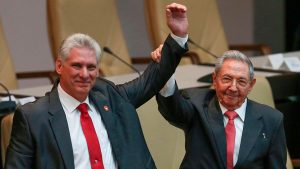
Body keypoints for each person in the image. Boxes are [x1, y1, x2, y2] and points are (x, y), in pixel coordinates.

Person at [4, 3, 189, 169]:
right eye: (77, 65)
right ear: (59, 66)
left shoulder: (110, 96)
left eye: (91, 67)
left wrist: (177, 36)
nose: (85, 74)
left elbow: (150, 80)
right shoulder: (34, 117)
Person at [152, 49, 287, 169]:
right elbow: (172, 110)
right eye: (227, 79)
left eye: (241, 81)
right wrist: (166, 70)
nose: (233, 88)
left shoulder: (271, 119)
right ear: (215, 80)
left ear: (251, 85)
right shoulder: (196, 104)